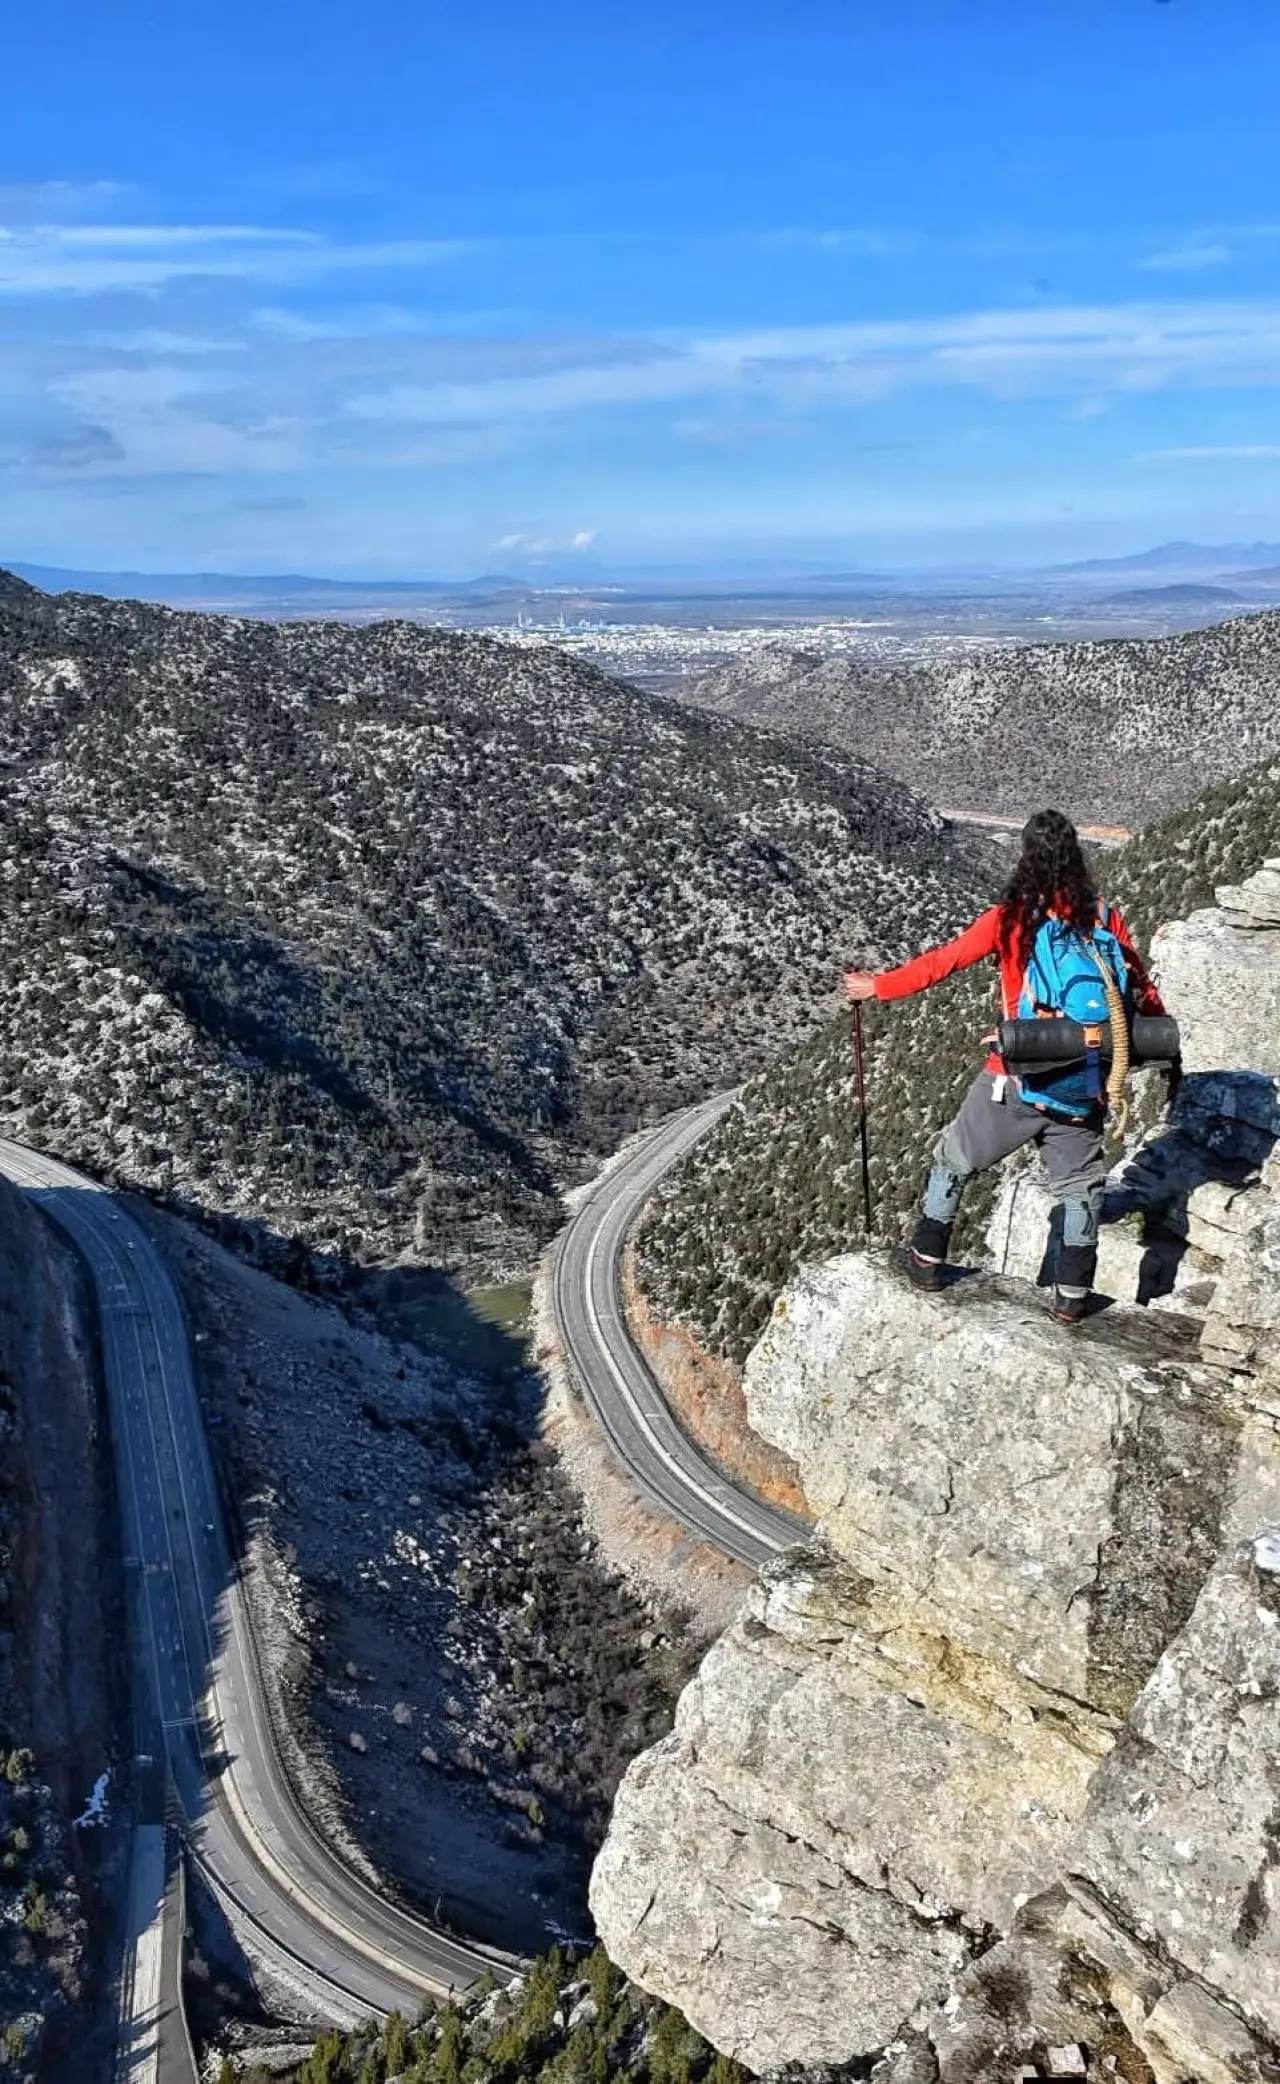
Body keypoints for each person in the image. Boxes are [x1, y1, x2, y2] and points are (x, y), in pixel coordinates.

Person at [843, 808, 1167, 1323]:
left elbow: (940, 964)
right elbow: (1141, 991)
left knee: (954, 1158)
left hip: (1015, 1078)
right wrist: (1161, 1045)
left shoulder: (1010, 920)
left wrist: (876, 987)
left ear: (1024, 857)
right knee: (1080, 1187)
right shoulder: (1105, 918)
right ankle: (1072, 1297)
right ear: (1077, 857)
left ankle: (927, 1258)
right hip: (1087, 1080)